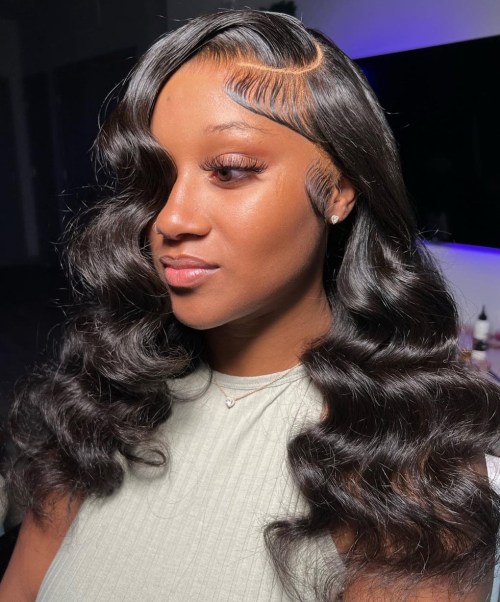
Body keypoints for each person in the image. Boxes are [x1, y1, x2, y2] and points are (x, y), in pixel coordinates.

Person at [1, 9, 499, 601]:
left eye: (230, 171)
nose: (171, 219)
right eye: (156, 179)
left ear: (339, 189)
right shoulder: (98, 404)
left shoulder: (406, 468)